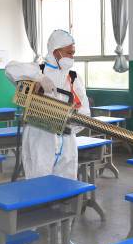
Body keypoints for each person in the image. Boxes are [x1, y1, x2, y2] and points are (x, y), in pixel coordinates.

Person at [5, 29, 90, 180]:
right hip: (39, 137)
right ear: (56, 52)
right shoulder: (38, 70)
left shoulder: (74, 78)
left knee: (66, 184)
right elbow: (10, 69)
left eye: (73, 53)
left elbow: (84, 111)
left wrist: (70, 126)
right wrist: (39, 78)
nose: (72, 57)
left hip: (66, 140)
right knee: (39, 183)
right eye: (69, 53)